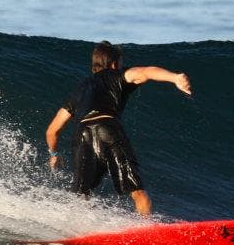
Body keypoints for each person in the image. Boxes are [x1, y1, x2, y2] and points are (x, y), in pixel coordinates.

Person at [45, 40, 192, 215]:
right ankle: (146, 229)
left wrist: (54, 154)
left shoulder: (79, 90)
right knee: (136, 190)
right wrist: (174, 78)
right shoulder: (116, 75)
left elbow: (52, 130)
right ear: (114, 63)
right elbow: (146, 72)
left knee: (81, 194)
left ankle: (76, 230)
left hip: (82, 133)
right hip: (107, 128)